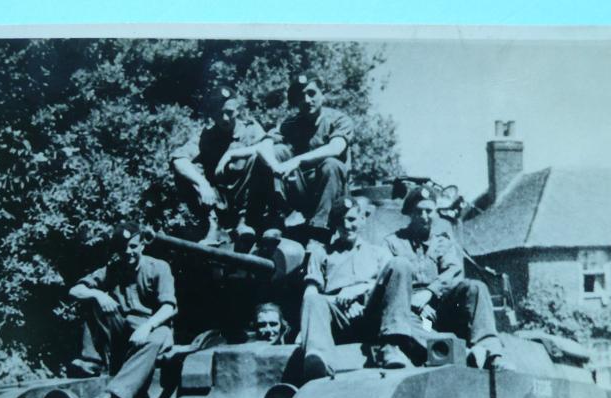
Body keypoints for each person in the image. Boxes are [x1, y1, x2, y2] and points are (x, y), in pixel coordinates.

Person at [298, 196, 425, 381]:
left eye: (351, 219)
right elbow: (311, 292)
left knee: (400, 264)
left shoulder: (379, 253)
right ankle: (318, 359)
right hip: (337, 318)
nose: (346, 226)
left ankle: (391, 346)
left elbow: (391, 289)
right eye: (340, 221)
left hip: (372, 316)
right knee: (312, 299)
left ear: (362, 220)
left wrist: (359, 290)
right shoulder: (321, 253)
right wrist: (335, 302)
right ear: (333, 224)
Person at [384, 186, 508, 369]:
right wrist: (413, 303)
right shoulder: (393, 243)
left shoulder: (442, 243)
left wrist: (429, 293)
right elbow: (389, 282)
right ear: (410, 213)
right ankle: (461, 354)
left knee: (476, 287)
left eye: (429, 211)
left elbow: (452, 272)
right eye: (419, 212)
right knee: (405, 323)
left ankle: (490, 351)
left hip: (439, 310)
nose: (425, 217)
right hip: (414, 315)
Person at [68, 222, 177, 398]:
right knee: (92, 299)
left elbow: (169, 307)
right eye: (123, 248)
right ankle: (91, 362)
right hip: (123, 330)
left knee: (157, 338)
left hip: (153, 327)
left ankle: (109, 396)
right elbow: (75, 290)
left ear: (142, 245)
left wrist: (147, 327)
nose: (128, 252)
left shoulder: (158, 267)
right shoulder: (112, 269)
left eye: (133, 246)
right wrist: (98, 295)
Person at [260, 72, 354, 242]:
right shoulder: (291, 123)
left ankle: (319, 231)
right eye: (300, 96)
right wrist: (275, 166)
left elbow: (336, 147)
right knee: (278, 150)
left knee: (332, 164)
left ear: (322, 94)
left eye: (311, 93)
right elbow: (264, 145)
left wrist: (297, 160)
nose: (306, 100)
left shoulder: (339, 120)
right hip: (302, 192)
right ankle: (277, 216)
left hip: (333, 193)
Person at [171, 86, 272, 244]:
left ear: (238, 110)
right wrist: (202, 184)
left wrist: (231, 154)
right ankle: (213, 225)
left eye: (229, 112)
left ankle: (244, 222)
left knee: (256, 158)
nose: (224, 118)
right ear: (212, 114)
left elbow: (267, 147)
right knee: (187, 173)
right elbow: (179, 159)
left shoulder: (251, 129)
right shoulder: (207, 136)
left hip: (247, 201)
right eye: (219, 113)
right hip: (218, 201)